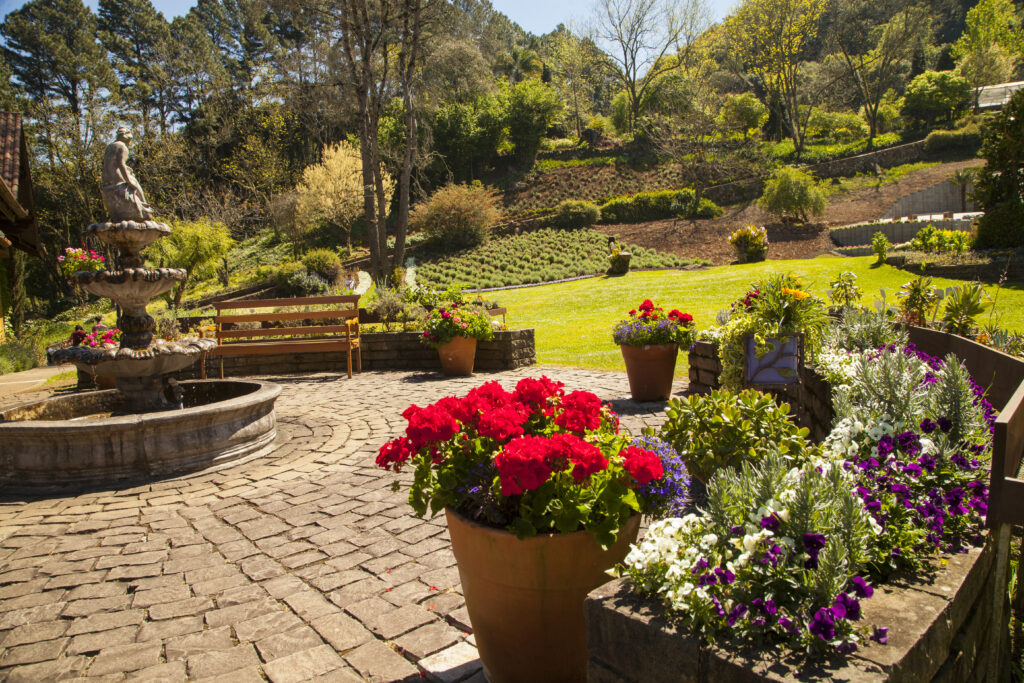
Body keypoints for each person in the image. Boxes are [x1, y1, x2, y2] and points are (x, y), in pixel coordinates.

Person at [100, 127, 155, 222]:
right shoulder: (122, 146)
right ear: (126, 137)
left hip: (107, 182)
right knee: (135, 182)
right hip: (118, 179)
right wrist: (129, 182)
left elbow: (110, 164)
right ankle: (144, 205)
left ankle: (143, 204)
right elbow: (121, 164)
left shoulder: (110, 146)